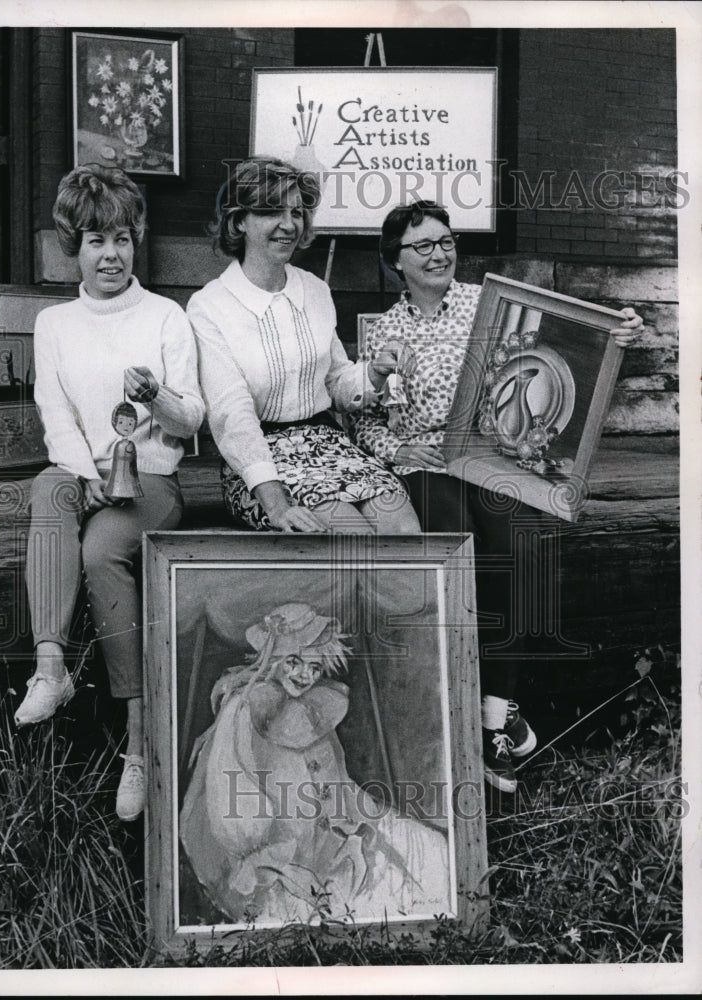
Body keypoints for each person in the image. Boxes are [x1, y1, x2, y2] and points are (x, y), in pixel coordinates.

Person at [353, 200, 644, 794]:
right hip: (431, 464)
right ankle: (464, 714)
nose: (439, 253)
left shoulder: (492, 305)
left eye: (446, 240)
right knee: (458, 557)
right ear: (395, 263)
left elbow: (563, 345)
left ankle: (495, 716)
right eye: (423, 246)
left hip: (495, 455)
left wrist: (619, 333)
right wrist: (402, 452)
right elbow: (366, 426)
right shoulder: (386, 333)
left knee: (521, 552)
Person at [14, 163, 205, 822]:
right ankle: (51, 667)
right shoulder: (56, 324)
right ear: (76, 245)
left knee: (101, 555)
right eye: (96, 240)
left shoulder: (166, 316)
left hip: (151, 480)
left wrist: (159, 396)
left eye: (122, 239)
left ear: (136, 242)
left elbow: (190, 422)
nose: (111, 254)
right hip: (82, 475)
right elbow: (55, 414)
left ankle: (140, 744)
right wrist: (85, 476)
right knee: (48, 484)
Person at [186, 157, 420, 534]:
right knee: (352, 542)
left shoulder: (314, 289)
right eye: (270, 211)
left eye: (296, 212)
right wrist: (276, 505)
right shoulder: (209, 307)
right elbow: (232, 417)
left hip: (331, 445)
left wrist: (373, 374)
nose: (289, 224)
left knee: (405, 532)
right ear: (239, 220)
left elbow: (336, 381)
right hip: (261, 465)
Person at [179, 603, 450, 924]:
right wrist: (267, 858)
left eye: (315, 667)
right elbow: (230, 787)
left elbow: (336, 780)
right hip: (274, 856)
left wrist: (366, 817)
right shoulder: (244, 707)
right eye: (293, 662)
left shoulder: (311, 709)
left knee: (431, 852)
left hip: (326, 835)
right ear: (272, 659)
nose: (304, 675)